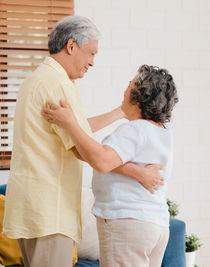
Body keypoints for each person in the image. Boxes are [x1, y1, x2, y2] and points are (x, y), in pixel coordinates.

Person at [2, 16, 163, 267]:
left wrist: (119, 112)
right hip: (50, 213)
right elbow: (84, 150)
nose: (92, 62)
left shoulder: (39, 79)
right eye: (91, 53)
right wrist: (138, 172)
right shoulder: (60, 85)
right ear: (71, 45)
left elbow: (75, 128)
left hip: (34, 210)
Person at [42, 64, 178, 267]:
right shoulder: (162, 131)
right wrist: (136, 171)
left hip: (127, 223)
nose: (125, 89)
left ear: (138, 95)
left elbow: (101, 160)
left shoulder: (134, 130)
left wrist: (70, 123)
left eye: (129, 85)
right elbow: (95, 156)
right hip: (156, 225)